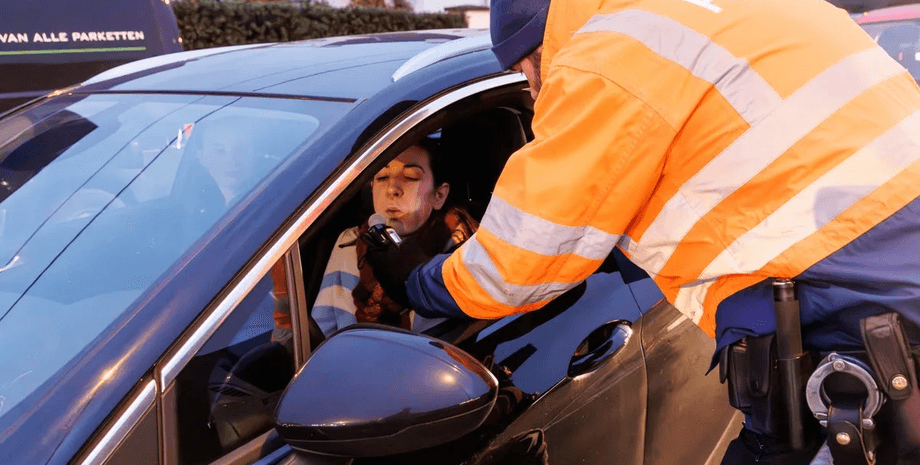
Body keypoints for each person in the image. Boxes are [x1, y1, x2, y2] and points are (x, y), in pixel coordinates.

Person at [363, 0, 920, 463]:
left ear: (540, 50)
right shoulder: (709, 13)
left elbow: (518, 264)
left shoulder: (605, 55)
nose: (534, 95)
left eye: (527, 77)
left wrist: (417, 280)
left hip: (859, 347)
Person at [312, 139, 478, 337]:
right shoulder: (349, 243)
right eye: (382, 177)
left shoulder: (459, 253)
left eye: (410, 177)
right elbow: (325, 330)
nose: (392, 189)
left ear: (439, 195)